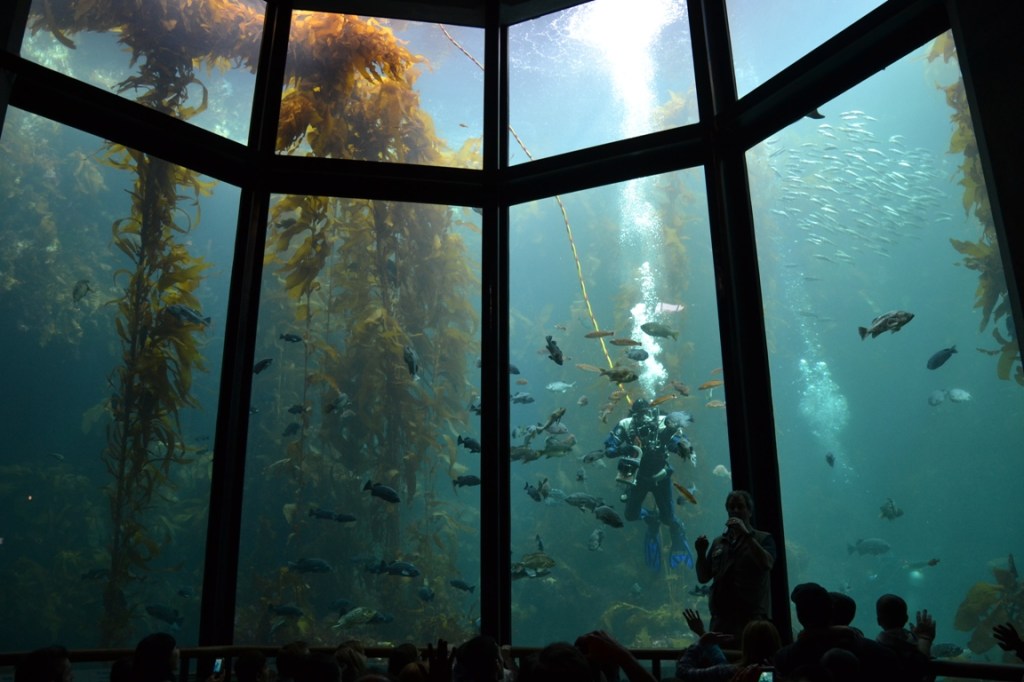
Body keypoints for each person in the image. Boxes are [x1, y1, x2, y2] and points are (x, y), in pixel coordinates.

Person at [604, 398, 695, 570]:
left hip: (661, 475)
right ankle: (652, 519)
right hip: (638, 477)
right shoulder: (626, 425)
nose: (643, 419)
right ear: (633, 415)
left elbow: (679, 442)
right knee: (630, 515)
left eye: (645, 413)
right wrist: (624, 449)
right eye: (639, 415)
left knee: (668, 518)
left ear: (651, 412)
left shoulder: (663, 422)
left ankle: (676, 529)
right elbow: (609, 449)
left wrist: (681, 447)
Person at [693, 491, 776, 638]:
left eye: (740, 507)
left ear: (749, 511)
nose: (735, 511)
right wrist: (700, 553)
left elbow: (767, 564)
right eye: (731, 507)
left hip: (752, 619)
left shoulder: (764, 538)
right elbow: (703, 577)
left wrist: (746, 535)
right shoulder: (719, 542)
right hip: (721, 618)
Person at [675, 609, 780, 682]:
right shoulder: (781, 672)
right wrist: (702, 633)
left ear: (746, 645)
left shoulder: (735, 672)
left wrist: (700, 643)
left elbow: (683, 672)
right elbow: (721, 663)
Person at [874, 594, 934, 681]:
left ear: (879, 621)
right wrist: (925, 638)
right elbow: (922, 664)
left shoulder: (877, 646)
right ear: (906, 618)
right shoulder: (912, 642)